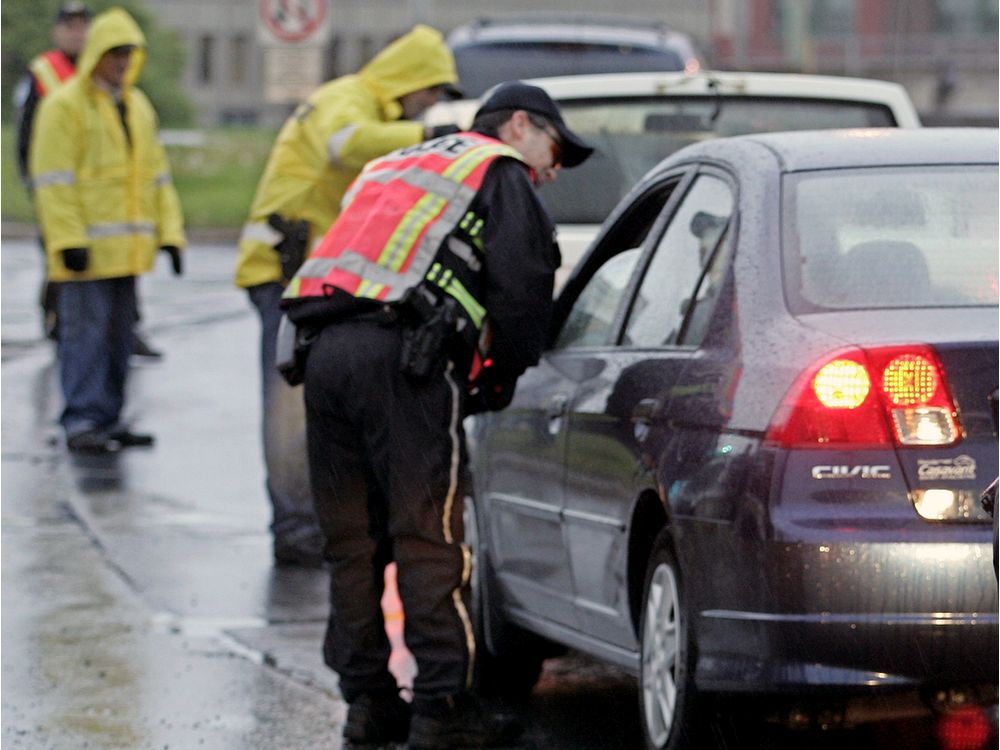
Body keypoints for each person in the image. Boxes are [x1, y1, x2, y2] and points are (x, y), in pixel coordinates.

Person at [281, 81, 593, 749]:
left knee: (353, 544)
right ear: (516, 126)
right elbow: (523, 282)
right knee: (429, 537)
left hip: (323, 356)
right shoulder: (500, 171)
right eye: (556, 147)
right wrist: (503, 376)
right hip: (406, 361)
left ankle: (367, 705)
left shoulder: (397, 166)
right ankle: (443, 707)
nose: (555, 168)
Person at [234, 24, 461, 568]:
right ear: (412, 81)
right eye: (430, 93)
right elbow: (343, 146)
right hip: (286, 275)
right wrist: (428, 130)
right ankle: (295, 528)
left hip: (314, 278)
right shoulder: (347, 100)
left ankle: (316, 523)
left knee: (315, 405)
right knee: (290, 408)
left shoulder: (371, 110)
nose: (429, 105)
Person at [29, 7, 186, 454]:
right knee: (84, 337)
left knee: (119, 340)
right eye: (113, 53)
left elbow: (156, 177)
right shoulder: (64, 106)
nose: (120, 62)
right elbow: (53, 181)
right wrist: (68, 241)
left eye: (127, 54)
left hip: (127, 252)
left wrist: (170, 235)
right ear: (96, 53)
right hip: (85, 255)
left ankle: (110, 418)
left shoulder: (137, 107)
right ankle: (81, 419)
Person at [15, 1, 162, 359]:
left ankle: (126, 330)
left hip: (103, 196)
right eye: (70, 27)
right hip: (60, 187)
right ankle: (57, 323)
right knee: (64, 262)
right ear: (57, 31)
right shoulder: (44, 73)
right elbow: (27, 136)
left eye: (82, 26)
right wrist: (36, 185)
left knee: (120, 263)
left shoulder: (105, 73)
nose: (77, 33)